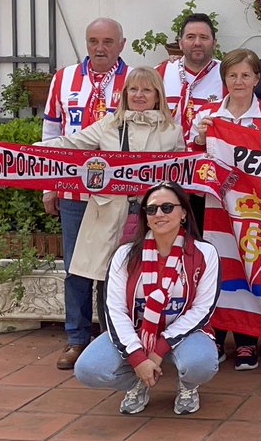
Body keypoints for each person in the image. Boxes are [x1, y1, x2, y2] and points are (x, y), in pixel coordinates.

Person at [40, 66, 186, 335]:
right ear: (125, 93)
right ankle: (110, 339)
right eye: (133, 89)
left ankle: (146, 339)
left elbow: (181, 179)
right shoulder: (108, 125)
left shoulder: (172, 131)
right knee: (107, 280)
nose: (139, 95)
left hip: (153, 220)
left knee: (148, 277)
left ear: (158, 95)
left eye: (146, 89)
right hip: (109, 217)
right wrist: (20, 152)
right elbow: (68, 145)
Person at [74, 181, 219, 416]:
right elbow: (115, 310)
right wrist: (137, 358)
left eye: (167, 207)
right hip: (136, 331)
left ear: (183, 212)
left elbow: (202, 309)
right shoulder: (125, 254)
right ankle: (137, 382)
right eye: (151, 209)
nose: (159, 214)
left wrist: (158, 350)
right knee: (88, 370)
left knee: (201, 364)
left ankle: (188, 385)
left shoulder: (205, 253)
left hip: (186, 333)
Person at [41, 17, 130, 370]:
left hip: (117, 193)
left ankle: (113, 339)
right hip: (73, 190)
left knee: (114, 267)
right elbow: (51, 134)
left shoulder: (135, 80)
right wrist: (49, 184)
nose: (100, 48)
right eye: (94, 40)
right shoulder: (63, 79)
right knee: (75, 267)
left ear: (122, 44)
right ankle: (76, 339)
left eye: (108, 41)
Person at [190, 48, 261, 370]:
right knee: (216, 270)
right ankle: (217, 336)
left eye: (246, 75)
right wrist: (201, 140)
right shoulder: (208, 116)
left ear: (257, 78)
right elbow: (190, 163)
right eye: (232, 75)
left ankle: (247, 341)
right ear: (224, 79)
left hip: (253, 211)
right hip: (214, 210)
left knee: (248, 270)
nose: (239, 81)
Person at [156, 12, 224, 147]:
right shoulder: (160, 73)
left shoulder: (227, 75)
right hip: (165, 156)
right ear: (180, 43)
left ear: (214, 43)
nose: (197, 43)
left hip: (209, 157)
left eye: (204, 37)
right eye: (190, 37)